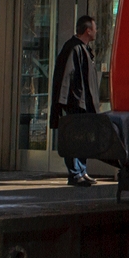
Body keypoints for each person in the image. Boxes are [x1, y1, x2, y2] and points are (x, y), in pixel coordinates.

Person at [50, 15, 99, 187]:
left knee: (83, 138)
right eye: (94, 28)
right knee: (74, 138)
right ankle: (75, 173)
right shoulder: (73, 49)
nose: (96, 31)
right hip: (76, 104)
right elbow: (66, 78)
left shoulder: (82, 49)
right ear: (88, 30)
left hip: (83, 104)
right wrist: (67, 102)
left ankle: (82, 171)